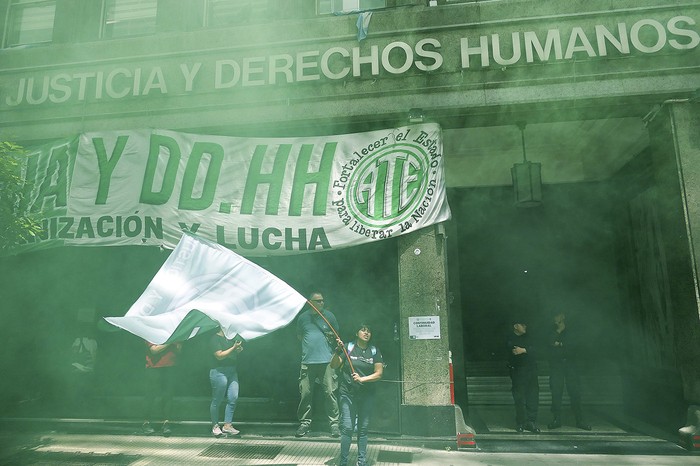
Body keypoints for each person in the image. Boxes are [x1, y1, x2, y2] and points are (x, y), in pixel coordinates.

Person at [331, 323, 383, 466]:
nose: (366, 333)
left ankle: (361, 462)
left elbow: (378, 373)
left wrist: (362, 379)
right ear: (356, 333)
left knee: (363, 429)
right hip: (347, 394)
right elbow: (334, 365)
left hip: (367, 395)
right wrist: (337, 352)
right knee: (347, 428)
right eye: (363, 330)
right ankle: (343, 462)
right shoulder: (348, 347)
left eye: (369, 331)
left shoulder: (374, 350)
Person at [295, 291, 341, 437]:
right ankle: (304, 423)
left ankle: (334, 424)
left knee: (330, 393)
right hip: (308, 361)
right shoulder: (303, 318)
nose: (321, 303)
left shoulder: (330, 316)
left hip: (327, 361)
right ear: (310, 302)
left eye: (322, 300)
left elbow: (336, 335)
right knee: (306, 393)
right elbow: (299, 336)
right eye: (318, 301)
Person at [547, 312, 592, 430]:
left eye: (556, 316)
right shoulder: (551, 330)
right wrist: (559, 331)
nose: (554, 318)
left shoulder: (572, 330)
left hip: (571, 365)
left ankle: (580, 420)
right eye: (554, 316)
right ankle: (556, 419)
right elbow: (550, 342)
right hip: (556, 365)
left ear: (562, 316)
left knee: (575, 392)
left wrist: (560, 344)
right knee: (556, 393)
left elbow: (575, 344)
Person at [506, 319, 540, 433]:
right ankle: (521, 422)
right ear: (515, 326)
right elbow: (514, 351)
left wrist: (524, 350)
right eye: (522, 324)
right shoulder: (510, 338)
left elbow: (538, 350)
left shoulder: (530, 337)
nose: (525, 326)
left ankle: (531, 421)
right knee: (520, 397)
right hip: (518, 371)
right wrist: (528, 351)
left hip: (531, 370)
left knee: (533, 396)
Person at [142, 340, 181, 436]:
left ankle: (166, 422)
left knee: (168, 395)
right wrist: (170, 342)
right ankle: (146, 422)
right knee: (150, 395)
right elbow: (154, 350)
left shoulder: (172, 332)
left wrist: (178, 343)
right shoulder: (150, 331)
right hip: (154, 367)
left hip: (170, 366)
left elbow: (179, 350)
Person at [209, 327, 243, 437]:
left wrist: (238, 349)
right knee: (217, 399)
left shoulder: (231, 338)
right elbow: (219, 356)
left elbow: (233, 353)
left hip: (232, 370)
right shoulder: (215, 338)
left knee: (233, 397)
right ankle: (215, 426)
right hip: (218, 371)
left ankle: (227, 425)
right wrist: (234, 348)